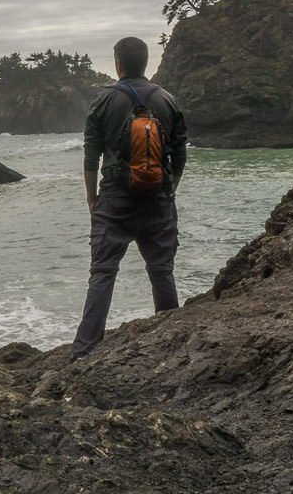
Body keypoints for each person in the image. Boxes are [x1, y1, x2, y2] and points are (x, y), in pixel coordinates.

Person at [71, 36, 188, 360]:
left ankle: (84, 351)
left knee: (103, 273)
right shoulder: (168, 99)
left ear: (118, 63)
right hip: (159, 199)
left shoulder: (104, 100)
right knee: (161, 270)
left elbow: (91, 154)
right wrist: (170, 190)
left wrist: (92, 198)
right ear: (146, 63)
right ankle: (171, 343)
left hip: (114, 200)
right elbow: (179, 153)